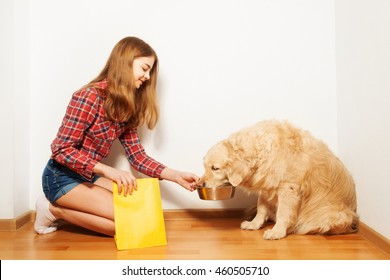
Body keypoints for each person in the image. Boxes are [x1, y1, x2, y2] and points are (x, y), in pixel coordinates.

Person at [34, 36, 199, 236]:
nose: (147, 76)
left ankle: (61, 207)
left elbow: (137, 157)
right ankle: (52, 210)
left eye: (150, 71)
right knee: (126, 226)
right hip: (60, 177)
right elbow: (61, 150)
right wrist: (109, 171)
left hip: (87, 177)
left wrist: (175, 176)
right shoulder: (88, 97)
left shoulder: (127, 107)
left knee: (143, 218)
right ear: (125, 62)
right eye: (145, 68)